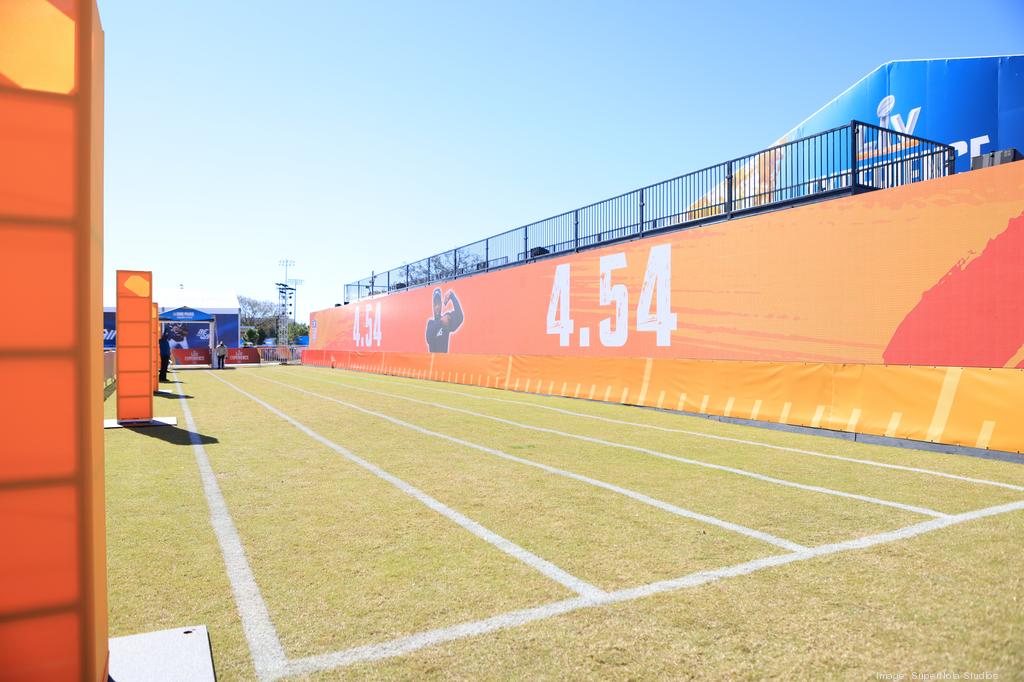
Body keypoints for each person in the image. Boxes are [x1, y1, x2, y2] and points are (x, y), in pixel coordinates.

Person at [424, 288, 464, 352]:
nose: (437, 307)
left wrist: (452, 296)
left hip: (444, 361)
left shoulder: (446, 318)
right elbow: (428, 338)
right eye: (435, 304)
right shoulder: (430, 323)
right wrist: (441, 322)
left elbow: (460, 317)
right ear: (433, 306)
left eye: (439, 303)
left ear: (441, 304)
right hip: (434, 361)